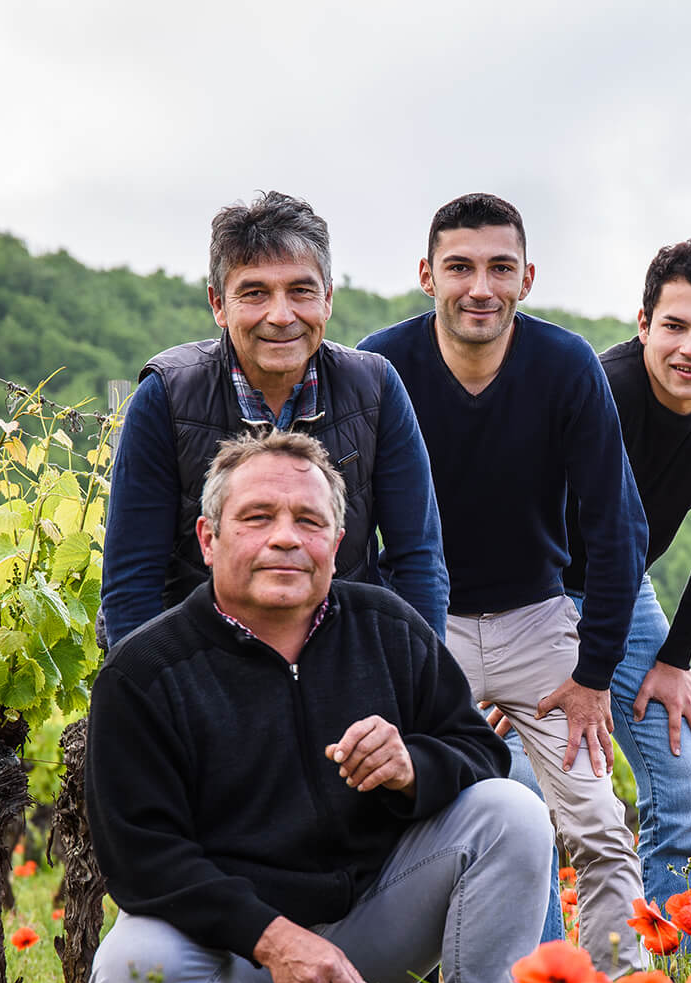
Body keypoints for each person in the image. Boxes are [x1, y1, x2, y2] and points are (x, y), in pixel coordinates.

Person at [87, 431, 550, 983]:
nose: (285, 538)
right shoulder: (144, 673)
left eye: (309, 521)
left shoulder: (386, 627)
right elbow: (143, 859)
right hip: (235, 955)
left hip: (368, 940)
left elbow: (478, 748)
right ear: (208, 538)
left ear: (336, 544)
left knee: (512, 812)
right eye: (257, 517)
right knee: (134, 972)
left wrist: (412, 765)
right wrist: (273, 939)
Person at [362, 194, 649, 979]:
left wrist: (593, 677)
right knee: (392, 813)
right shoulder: (381, 369)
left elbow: (617, 528)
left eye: (498, 268)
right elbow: (348, 529)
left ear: (526, 277)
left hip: (539, 624)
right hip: (426, 626)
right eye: (459, 267)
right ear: (427, 276)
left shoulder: (566, 367)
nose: (478, 287)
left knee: (595, 820)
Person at [100, 191, 447, 648]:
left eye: (301, 291)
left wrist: (417, 684)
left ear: (327, 299)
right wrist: (149, 695)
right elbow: (132, 580)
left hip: (342, 653)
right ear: (218, 305)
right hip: (202, 656)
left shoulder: (376, 388)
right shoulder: (167, 396)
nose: (281, 316)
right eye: (255, 293)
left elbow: (418, 559)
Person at [557, 240, 691, 926]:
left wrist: (676, 659)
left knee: (683, 783)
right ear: (643, 323)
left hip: (627, 595)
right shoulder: (602, 390)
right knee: (527, 793)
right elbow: (519, 516)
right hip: (536, 594)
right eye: (674, 326)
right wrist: (509, 649)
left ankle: (663, 976)